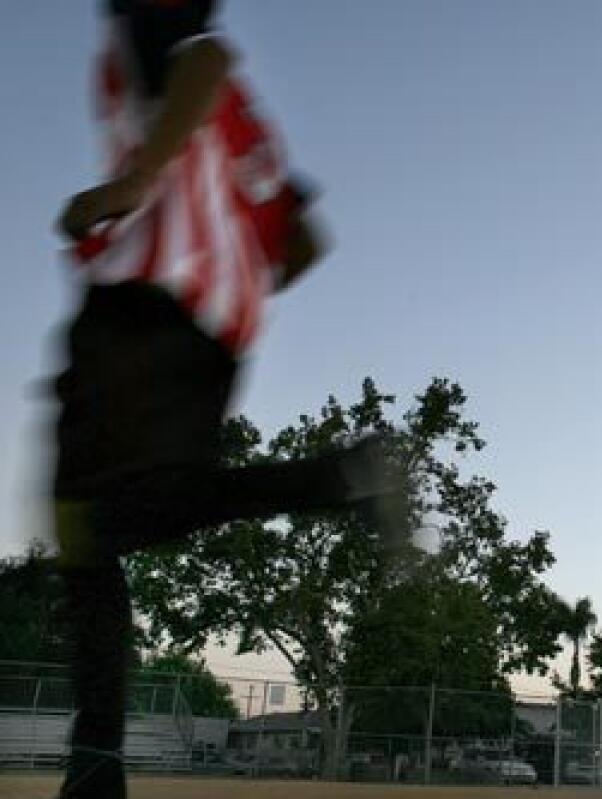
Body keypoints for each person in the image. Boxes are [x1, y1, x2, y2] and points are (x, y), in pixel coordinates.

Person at [52, 3, 400, 797]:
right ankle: (342, 476)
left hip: (139, 312)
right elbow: (307, 240)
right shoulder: (254, 124)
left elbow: (201, 59)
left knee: (84, 526)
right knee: (149, 506)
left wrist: (133, 182)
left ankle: (96, 762)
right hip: (212, 345)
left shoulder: (159, 36)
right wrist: (239, 274)